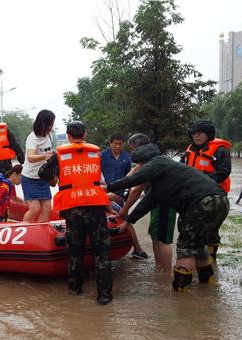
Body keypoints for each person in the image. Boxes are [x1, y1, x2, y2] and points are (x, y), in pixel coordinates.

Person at [107, 140, 230, 292]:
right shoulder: (165, 176)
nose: (140, 168)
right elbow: (147, 202)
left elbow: (131, 180)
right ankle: (207, 288)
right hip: (221, 202)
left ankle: (179, 294)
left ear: (145, 161)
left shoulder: (158, 162)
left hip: (203, 203)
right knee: (197, 245)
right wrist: (127, 223)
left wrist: (105, 188)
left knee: (185, 248)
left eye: (141, 165)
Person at [38, 121, 113, 305]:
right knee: (101, 253)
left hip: (73, 209)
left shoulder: (61, 155)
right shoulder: (96, 153)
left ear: (68, 136)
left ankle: (75, 292)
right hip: (95, 206)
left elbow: (42, 173)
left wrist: (55, 176)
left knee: (75, 251)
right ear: (85, 135)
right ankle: (104, 298)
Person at [119, 134, 175, 273]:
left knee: (162, 239)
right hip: (155, 203)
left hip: (165, 203)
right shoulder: (145, 163)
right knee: (154, 235)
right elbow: (128, 179)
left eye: (133, 150)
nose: (132, 153)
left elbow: (137, 190)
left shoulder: (153, 164)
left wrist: (124, 210)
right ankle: (159, 267)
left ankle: (167, 275)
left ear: (141, 148)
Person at [181, 120, 232, 261]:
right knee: (192, 226)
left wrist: (202, 180)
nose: (196, 136)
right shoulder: (190, 150)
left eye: (199, 133)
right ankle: (199, 256)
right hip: (194, 194)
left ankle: (211, 258)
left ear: (208, 134)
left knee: (211, 227)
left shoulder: (220, 150)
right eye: (193, 134)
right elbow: (180, 168)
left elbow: (224, 171)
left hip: (215, 195)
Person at [100, 132, 148, 260]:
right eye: (115, 143)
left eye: (120, 144)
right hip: (105, 192)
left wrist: (130, 193)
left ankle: (131, 248)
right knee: (124, 218)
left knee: (121, 219)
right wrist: (105, 192)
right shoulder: (102, 156)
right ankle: (137, 249)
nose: (117, 146)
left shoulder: (127, 157)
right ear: (110, 144)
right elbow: (99, 177)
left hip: (120, 194)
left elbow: (130, 177)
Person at [22, 109, 55, 222]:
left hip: (42, 177)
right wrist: (43, 156)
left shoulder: (48, 136)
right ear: (43, 123)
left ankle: (42, 234)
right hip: (30, 178)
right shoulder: (33, 138)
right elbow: (30, 157)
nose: (51, 127)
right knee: (34, 209)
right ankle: (23, 230)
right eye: (50, 124)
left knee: (46, 208)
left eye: (52, 124)